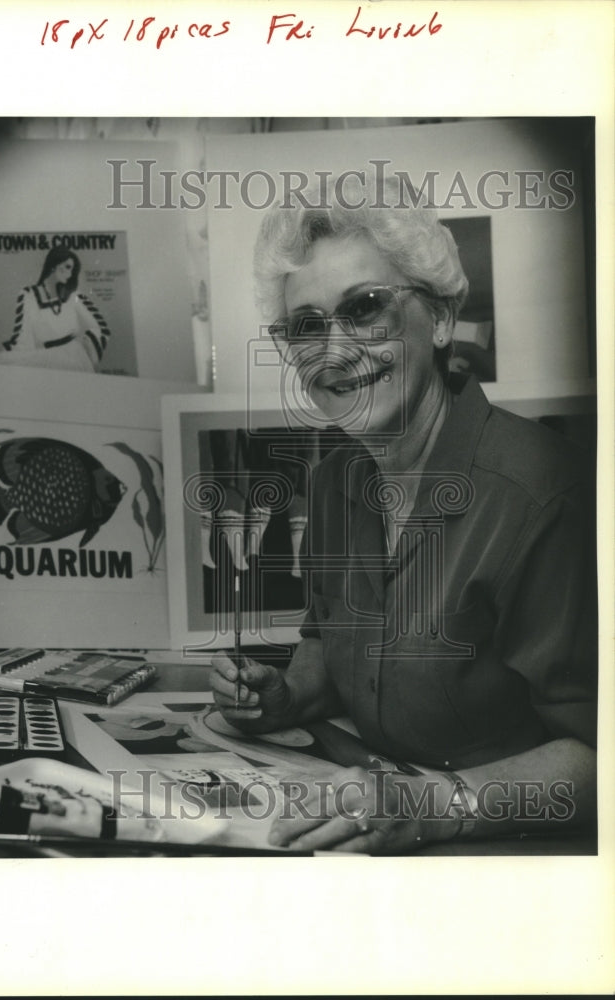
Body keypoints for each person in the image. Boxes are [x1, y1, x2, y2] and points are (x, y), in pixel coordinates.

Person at [210, 172, 597, 854]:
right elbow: (332, 646)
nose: (332, 349)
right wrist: (284, 698)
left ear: (441, 319)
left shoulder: (547, 497)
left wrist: (433, 806)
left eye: (363, 308)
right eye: (305, 326)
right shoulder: (335, 479)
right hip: (372, 816)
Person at [0, 246, 111, 371]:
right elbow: (23, 336)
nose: (70, 273)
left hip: (75, 359)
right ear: (54, 264)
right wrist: (8, 353)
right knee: (2, 359)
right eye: (67, 267)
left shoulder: (72, 295)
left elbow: (100, 327)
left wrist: (88, 344)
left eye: (72, 269)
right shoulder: (29, 295)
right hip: (48, 360)